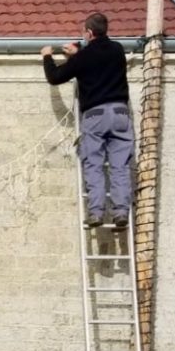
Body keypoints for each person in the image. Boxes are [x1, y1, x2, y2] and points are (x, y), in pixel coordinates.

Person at [41, 12, 133, 231]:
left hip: (95, 116)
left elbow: (55, 77)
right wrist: (79, 52)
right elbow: (99, 56)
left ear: (89, 32)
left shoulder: (84, 57)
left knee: (94, 163)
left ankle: (96, 212)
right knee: (120, 165)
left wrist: (47, 56)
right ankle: (121, 212)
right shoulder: (118, 49)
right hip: (121, 114)